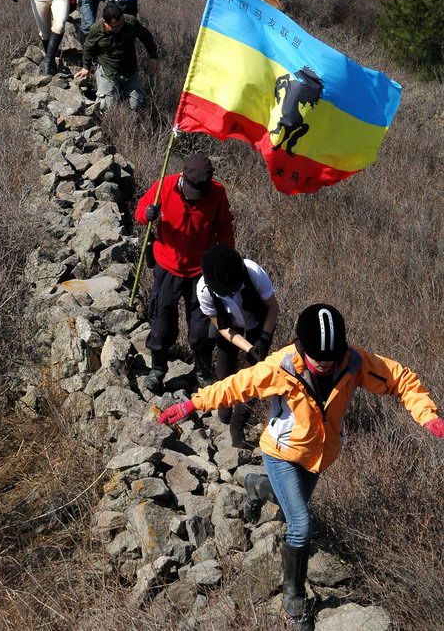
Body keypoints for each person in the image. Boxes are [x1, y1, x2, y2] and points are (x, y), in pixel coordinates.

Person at [158, 303, 444, 631]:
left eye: (330, 359)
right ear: (302, 347)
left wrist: (428, 415)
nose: (324, 366)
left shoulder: (354, 362)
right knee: (301, 525)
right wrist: (191, 404)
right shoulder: (281, 367)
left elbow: (400, 379)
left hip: (317, 456)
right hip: (280, 452)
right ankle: (293, 598)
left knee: (292, 506)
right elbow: (236, 386)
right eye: (317, 359)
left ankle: (254, 484)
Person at [135, 154, 235, 396]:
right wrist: (147, 214)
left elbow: (224, 226)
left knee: (201, 328)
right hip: (167, 267)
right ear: (182, 179)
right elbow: (139, 213)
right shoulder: (163, 187)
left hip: (201, 272)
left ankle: (201, 371)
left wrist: (226, 258)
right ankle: (158, 368)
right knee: (162, 323)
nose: (195, 197)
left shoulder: (217, 193)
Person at [197, 245, 279, 449]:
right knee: (224, 371)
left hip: (258, 323)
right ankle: (224, 406)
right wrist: (248, 348)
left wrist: (263, 339)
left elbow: (273, 307)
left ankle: (238, 425)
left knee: (253, 377)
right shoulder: (204, 290)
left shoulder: (253, 273)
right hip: (229, 325)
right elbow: (222, 327)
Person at [74, 3, 158, 111]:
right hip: (108, 69)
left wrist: (153, 56)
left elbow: (146, 37)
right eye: (115, 26)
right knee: (106, 106)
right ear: (106, 23)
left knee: (136, 104)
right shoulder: (96, 29)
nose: (119, 28)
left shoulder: (130, 22)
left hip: (130, 70)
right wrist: (86, 67)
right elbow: (88, 47)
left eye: (121, 24)